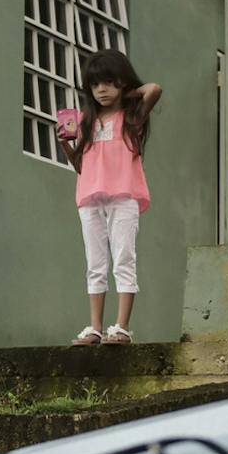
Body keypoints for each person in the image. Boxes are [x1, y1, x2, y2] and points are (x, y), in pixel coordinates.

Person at [57, 50, 162, 346]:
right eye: (95, 85)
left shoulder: (131, 117)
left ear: (123, 83)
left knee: (124, 257)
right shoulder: (86, 121)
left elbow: (154, 89)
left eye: (109, 82)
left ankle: (122, 327)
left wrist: (128, 93)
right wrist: (65, 143)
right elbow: (81, 165)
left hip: (123, 196)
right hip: (90, 198)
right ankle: (95, 328)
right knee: (95, 262)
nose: (101, 90)